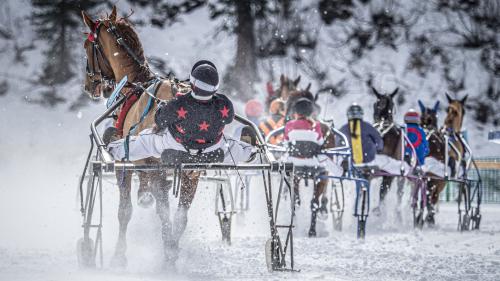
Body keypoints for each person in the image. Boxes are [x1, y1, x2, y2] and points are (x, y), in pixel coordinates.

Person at [107, 60, 254, 164]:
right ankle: (249, 153)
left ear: (192, 83)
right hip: (212, 149)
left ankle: (113, 149)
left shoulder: (180, 103)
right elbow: (228, 119)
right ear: (215, 87)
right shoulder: (224, 104)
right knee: (233, 146)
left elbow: (160, 120)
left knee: (144, 139)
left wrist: (163, 108)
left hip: (175, 146)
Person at [338, 103, 410, 174]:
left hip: (349, 161)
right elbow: (379, 142)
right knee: (387, 162)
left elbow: (337, 144)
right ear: (361, 114)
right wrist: (378, 149)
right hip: (369, 161)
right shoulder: (367, 127)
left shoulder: (343, 129)